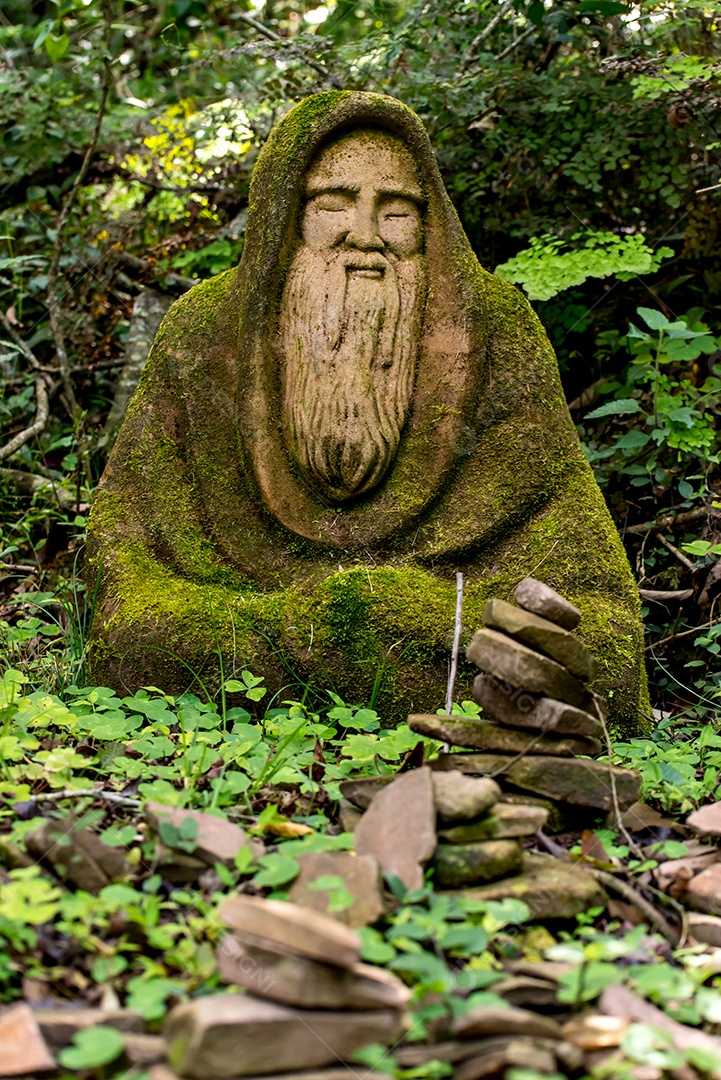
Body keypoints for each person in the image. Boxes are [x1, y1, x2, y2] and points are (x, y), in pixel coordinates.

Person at [86, 91, 647, 730]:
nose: (365, 236)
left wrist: (398, 610)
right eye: (333, 204)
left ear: (429, 224)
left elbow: (607, 637)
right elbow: (119, 567)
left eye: (397, 211)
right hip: (252, 632)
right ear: (286, 216)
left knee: (576, 677)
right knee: (141, 644)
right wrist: (310, 624)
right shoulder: (202, 334)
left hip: (410, 636)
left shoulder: (498, 332)